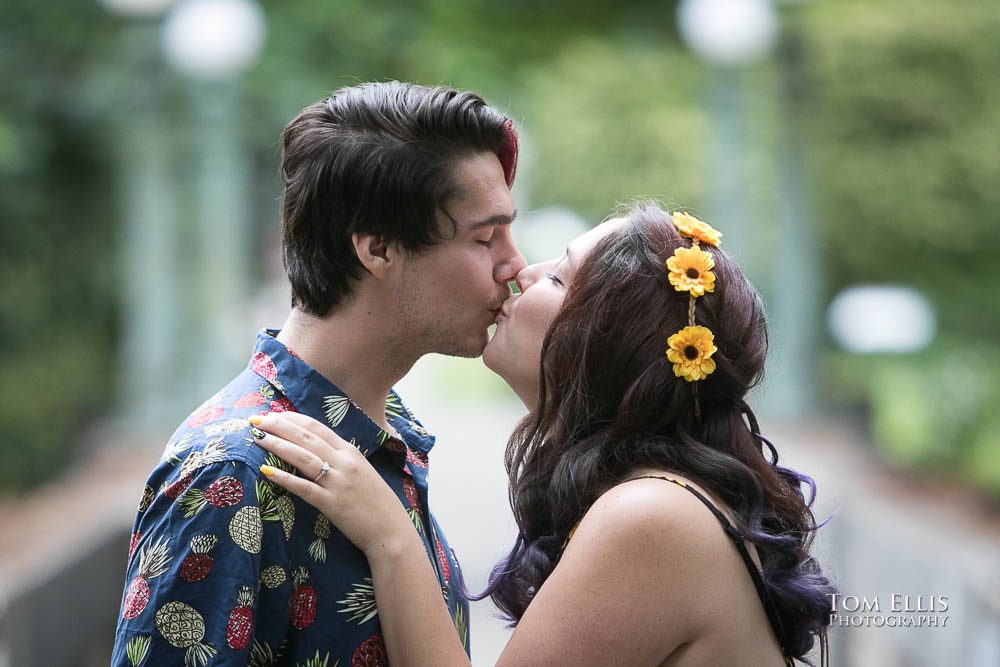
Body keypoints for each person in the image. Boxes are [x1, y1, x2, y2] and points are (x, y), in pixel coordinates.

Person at [250, 202, 836, 666]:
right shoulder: (659, 503)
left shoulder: (652, 517)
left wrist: (389, 534)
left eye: (557, 276)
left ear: (604, 342)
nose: (520, 271)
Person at [110, 81, 526, 666]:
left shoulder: (387, 433)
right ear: (377, 249)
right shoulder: (232, 473)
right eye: (486, 237)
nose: (515, 264)